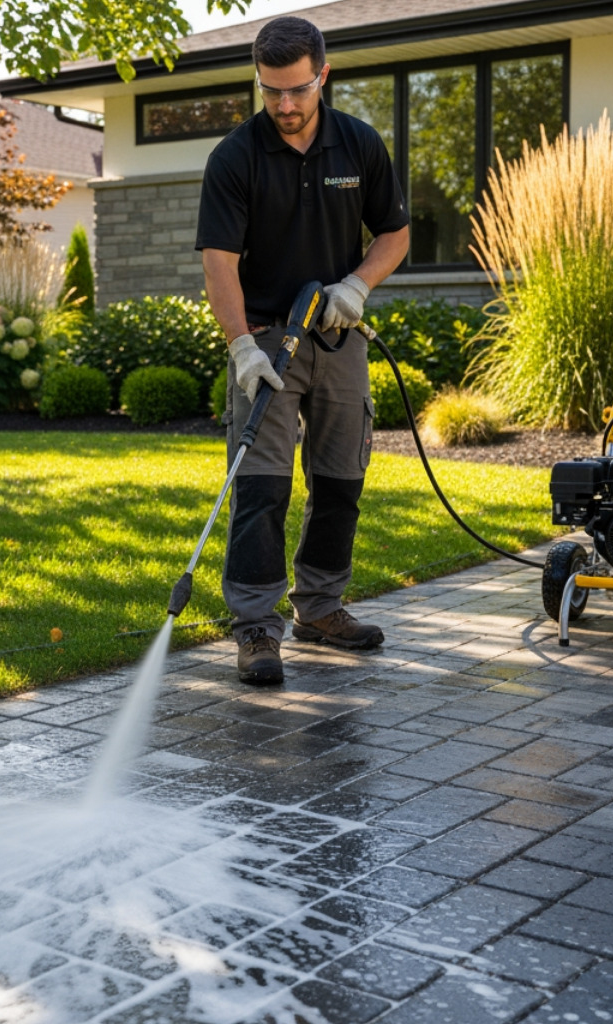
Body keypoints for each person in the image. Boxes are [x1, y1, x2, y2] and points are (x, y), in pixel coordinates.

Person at [195, 15, 410, 685]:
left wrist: (357, 284)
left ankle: (320, 606)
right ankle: (258, 625)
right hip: (266, 339)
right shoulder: (236, 157)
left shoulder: (359, 145)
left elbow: (395, 235)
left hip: (336, 334)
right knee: (261, 485)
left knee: (341, 478)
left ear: (324, 75)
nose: (285, 106)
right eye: (270, 91)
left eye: (296, 90)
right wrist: (241, 348)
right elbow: (219, 262)